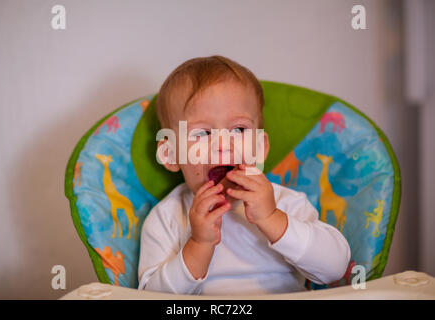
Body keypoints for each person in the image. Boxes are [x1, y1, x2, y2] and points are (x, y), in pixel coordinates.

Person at [138, 55, 350, 295]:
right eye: (202, 133)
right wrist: (198, 244)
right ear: (170, 154)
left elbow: (335, 268)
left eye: (238, 129)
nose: (223, 144)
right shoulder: (167, 218)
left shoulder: (285, 203)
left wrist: (272, 218)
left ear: (259, 148)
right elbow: (149, 296)